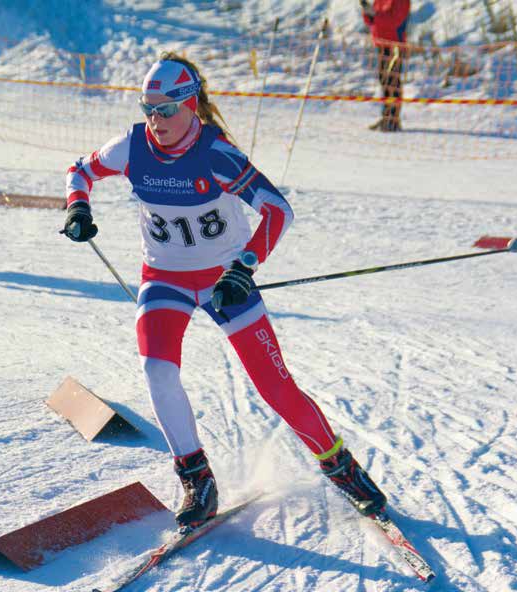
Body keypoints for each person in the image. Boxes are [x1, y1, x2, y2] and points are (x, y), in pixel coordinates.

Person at [61, 52, 387, 529]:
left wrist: (245, 266)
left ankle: (341, 467)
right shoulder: (131, 147)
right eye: (147, 108)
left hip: (224, 282)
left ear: (191, 104)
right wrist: (78, 209)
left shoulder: (216, 154)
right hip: (164, 279)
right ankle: (197, 478)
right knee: (157, 370)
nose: (156, 119)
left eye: (167, 109)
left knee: (274, 386)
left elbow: (278, 210)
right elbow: (80, 171)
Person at [360, 0, 410, 131]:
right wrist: (367, 12)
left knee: (392, 81)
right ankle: (386, 117)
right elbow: (372, 22)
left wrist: (374, 14)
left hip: (395, 44)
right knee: (384, 80)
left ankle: (393, 120)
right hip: (381, 43)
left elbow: (394, 21)